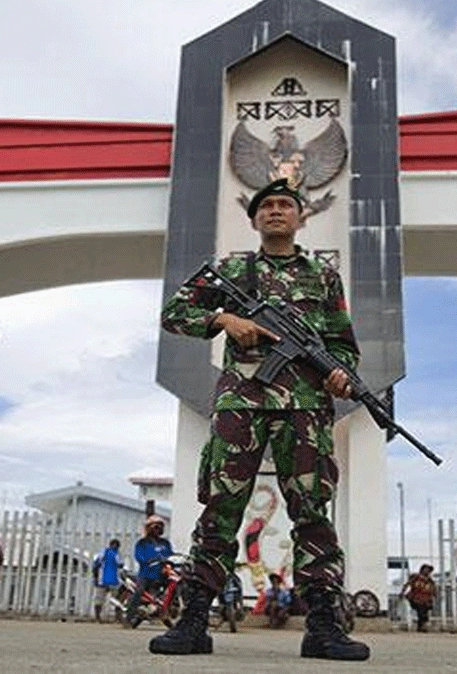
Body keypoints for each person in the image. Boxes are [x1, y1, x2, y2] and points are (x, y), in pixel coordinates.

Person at [153, 178, 369, 661]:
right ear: (254, 220)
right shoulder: (232, 270)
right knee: (221, 508)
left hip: (305, 408)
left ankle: (323, 626)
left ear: (300, 217)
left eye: (285, 205)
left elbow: (342, 345)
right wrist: (224, 320)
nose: (275, 211)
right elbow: (174, 312)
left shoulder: (323, 276)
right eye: (266, 205)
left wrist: (341, 375)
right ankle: (193, 621)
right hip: (242, 402)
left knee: (312, 513)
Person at [127, 515, 173, 625]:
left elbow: (170, 555)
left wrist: (170, 561)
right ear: (149, 528)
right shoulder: (142, 543)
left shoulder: (165, 543)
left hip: (160, 574)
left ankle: (161, 614)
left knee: (161, 596)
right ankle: (129, 616)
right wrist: (147, 561)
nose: (158, 529)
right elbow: (138, 556)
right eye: (155, 527)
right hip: (145, 574)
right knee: (139, 591)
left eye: (160, 527)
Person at [93, 539, 124, 622]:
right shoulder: (108, 553)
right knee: (105, 599)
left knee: (108, 599)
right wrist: (95, 577)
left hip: (109, 580)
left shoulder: (113, 553)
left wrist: (95, 577)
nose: (115, 547)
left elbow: (95, 565)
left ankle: (115, 617)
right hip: (107, 580)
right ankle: (99, 617)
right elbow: (121, 565)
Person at [400, 564, 437, 633]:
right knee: (420, 607)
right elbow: (407, 585)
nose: (428, 572)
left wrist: (433, 598)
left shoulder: (430, 582)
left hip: (426, 601)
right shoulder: (415, 578)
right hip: (415, 599)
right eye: (426, 569)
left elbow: (434, 592)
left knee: (425, 608)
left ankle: (422, 625)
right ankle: (422, 624)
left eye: (429, 570)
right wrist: (402, 593)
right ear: (422, 570)